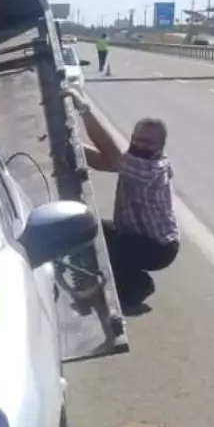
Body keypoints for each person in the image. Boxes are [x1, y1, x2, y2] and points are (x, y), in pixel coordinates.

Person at [66, 88, 179, 307]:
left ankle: (135, 286)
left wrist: (84, 109)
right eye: (136, 139)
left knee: (108, 248)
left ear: (160, 147)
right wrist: (73, 146)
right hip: (137, 235)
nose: (140, 144)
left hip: (157, 248)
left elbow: (111, 152)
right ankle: (128, 276)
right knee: (92, 231)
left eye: (148, 142)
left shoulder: (151, 169)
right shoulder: (137, 161)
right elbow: (103, 161)